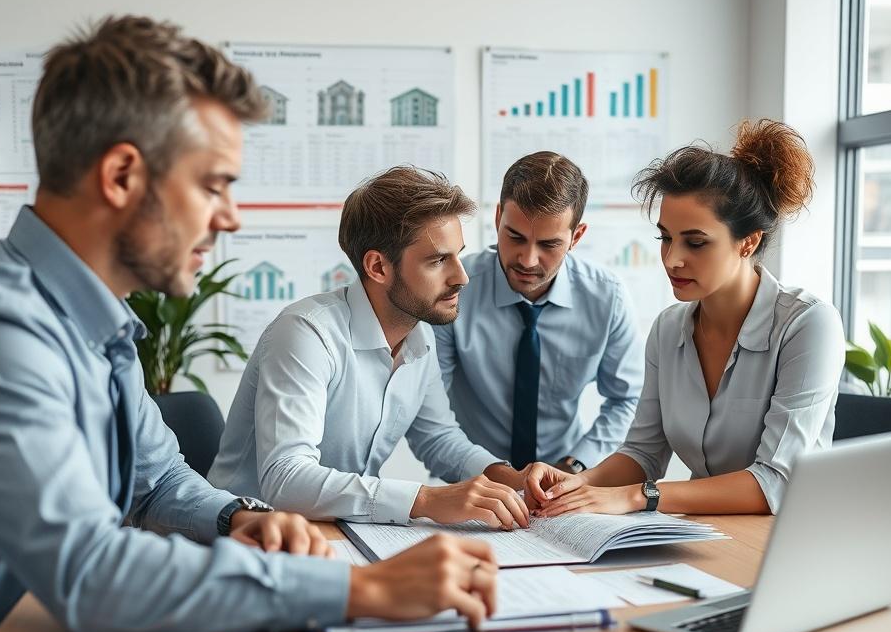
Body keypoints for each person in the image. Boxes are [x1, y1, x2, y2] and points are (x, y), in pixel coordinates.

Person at [0, 16, 497, 632]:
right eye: (214, 185)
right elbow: (89, 575)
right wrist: (359, 590)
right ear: (122, 175)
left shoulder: (93, 319)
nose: (232, 217)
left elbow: (157, 478)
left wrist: (237, 518)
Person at [528, 120, 845, 516]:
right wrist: (578, 484)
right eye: (665, 237)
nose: (672, 259)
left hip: (790, 539)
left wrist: (636, 496)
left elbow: (775, 483)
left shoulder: (808, 325)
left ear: (748, 241)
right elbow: (643, 454)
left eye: (695, 242)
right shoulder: (668, 329)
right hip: (702, 532)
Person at [209, 166, 539, 530]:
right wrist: (425, 499)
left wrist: (513, 479)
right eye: (438, 260)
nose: (461, 276)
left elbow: (439, 438)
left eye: (458, 255)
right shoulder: (305, 334)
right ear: (378, 266)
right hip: (246, 539)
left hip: (338, 531)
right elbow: (285, 480)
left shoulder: (420, 335)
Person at [434, 151, 644, 474]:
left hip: (567, 483)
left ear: (577, 236)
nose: (528, 260)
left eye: (548, 245)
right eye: (515, 237)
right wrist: (496, 476)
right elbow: (430, 410)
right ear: (498, 218)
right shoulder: (454, 290)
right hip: (475, 483)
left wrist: (575, 466)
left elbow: (626, 400)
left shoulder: (607, 298)